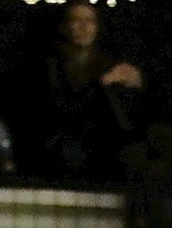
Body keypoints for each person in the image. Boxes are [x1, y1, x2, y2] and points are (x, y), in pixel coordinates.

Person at [20, 0, 145, 182]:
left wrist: (134, 85)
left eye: (89, 21)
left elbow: (122, 113)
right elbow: (64, 114)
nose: (84, 27)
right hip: (63, 143)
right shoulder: (49, 66)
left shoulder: (105, 63)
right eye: (76, 20)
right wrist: (102, 84)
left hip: (102, 142)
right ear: (64, 27)